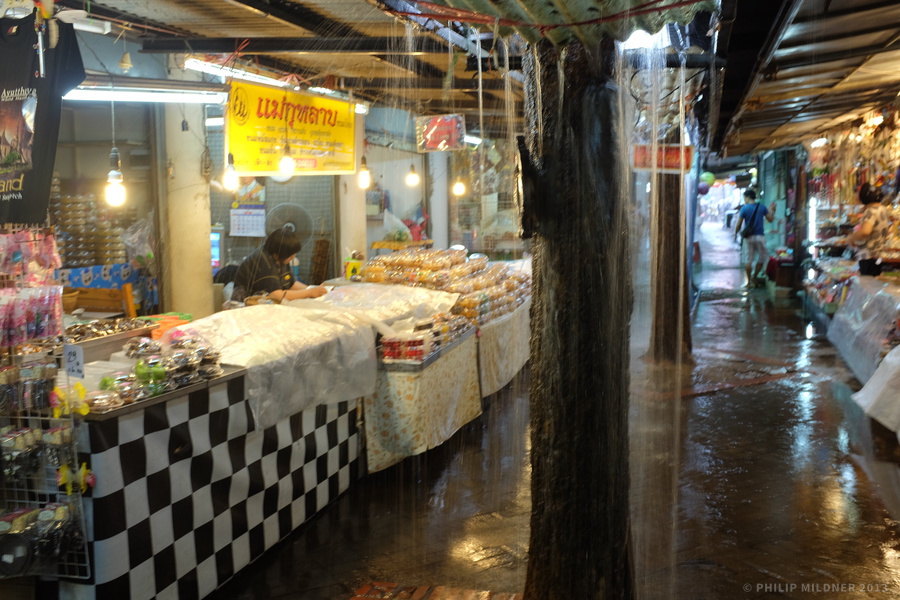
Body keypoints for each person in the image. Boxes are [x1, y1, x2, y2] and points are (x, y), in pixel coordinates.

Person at [233, 227, 328, 302]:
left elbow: (291, 284)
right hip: (246, 306)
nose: (293, 257)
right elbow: (277, 295)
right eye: (291, 255)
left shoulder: (279, 257)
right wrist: (309, 292)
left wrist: (315, 289)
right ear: (279, 253)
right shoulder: (264, 262)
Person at [846, 182, 891, 276]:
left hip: (868, 256)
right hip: (879, 254)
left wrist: (851, 238)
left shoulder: (870, 211)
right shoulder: (883, 209)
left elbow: (865, 231)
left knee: (868, 284)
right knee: (875, 283)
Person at [732, 189, 775, 287]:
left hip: (749, 237)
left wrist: (735, 233)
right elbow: (770, 220)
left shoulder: (744, 209)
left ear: (748, 197)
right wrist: (773, 211)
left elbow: (739, 224)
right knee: (761, 258)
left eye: (744, 198)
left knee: (749, 260)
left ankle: (749, 282)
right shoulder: (762, 207)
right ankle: (755, 277)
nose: (744, 200)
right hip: (760, 236)